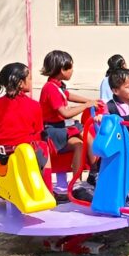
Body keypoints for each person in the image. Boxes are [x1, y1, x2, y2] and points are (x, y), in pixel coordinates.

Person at [0, 63, 47, 169]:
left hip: (4, 156)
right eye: (29, 78)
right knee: (45, 147)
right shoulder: (34, 105)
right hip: (27, 154)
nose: (31, 82)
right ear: (20, 83)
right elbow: (38, 133)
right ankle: (49, 179)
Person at [39, 50, 97, 181]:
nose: (72, 70)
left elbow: (68, 95)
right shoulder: (50, 88)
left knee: (83, 140)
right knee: (83, 138)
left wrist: (90, 101)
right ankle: (89, 174)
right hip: (52, 130)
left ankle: (88, 174)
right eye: (70, 67)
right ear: (62, 69)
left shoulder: (56, 85)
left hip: (60, 126)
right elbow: (65, 113)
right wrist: (86, 105)